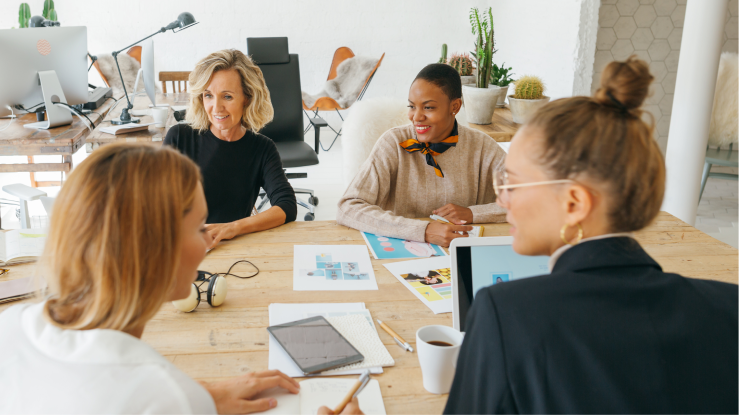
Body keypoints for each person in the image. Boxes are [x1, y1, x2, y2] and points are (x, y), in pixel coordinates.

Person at [443, 56, 739, 414]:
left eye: (512, 183)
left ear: (574, 202)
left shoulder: (505, 316)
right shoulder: (729, 306)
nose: (502, 198)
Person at [0, 143, 360, 415]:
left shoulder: (10, 325)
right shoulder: (155, 393)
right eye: (199, 227)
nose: (207, 241)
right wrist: (183, 401)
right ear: (155, 250)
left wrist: (199, 399)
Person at [336, 64, 507, 247]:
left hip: (459, 254)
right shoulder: (393, 143)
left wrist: (473, 213)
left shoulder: (481, 145)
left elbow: (533, 197)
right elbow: (348, 208)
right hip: (401, 253)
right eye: (412, 106)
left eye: (428, 108)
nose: (416, 117)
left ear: (455, 106)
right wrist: (423, 230)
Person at [165, 49, 297, 249]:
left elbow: (286, 206)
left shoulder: (262, 149)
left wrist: (232, 228)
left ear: (247, 98)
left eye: (227, 97)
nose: (216, 108)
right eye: (208, 95)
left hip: (231, 249)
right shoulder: (179, 138)